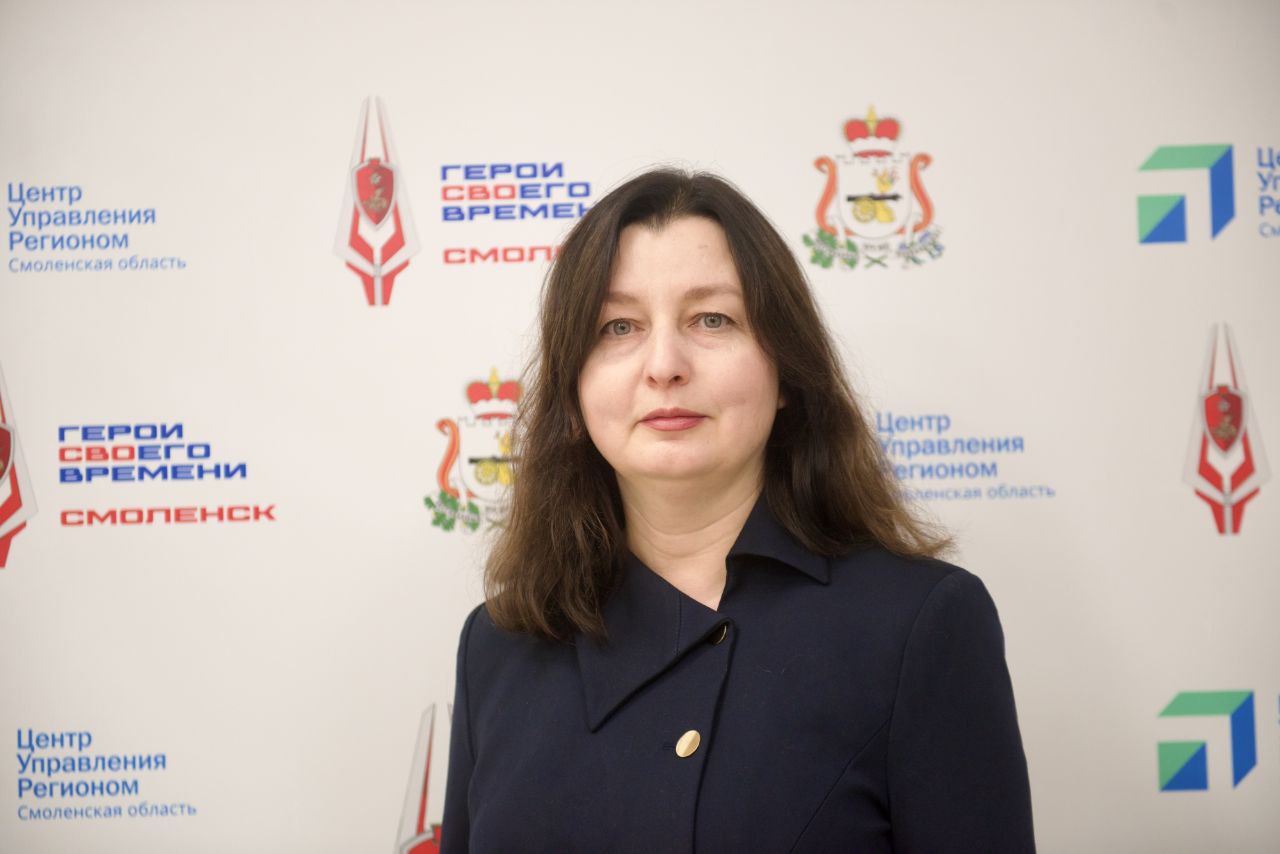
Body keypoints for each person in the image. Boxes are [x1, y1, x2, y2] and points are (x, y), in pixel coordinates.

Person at [439, 168, 1035, 853]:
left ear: (787, 371)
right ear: (573, 390)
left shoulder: (920, 626)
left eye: (712, 319)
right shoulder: (498, 643)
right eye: (618, 326)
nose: (664, 365)